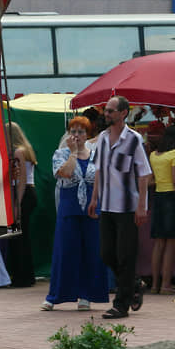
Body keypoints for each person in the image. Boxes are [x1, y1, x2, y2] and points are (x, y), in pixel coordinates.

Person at [88, 96, 151, 320]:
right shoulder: (102, 139)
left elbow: (144, 174)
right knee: (107, 254)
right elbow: (98, 171)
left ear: (123, 113)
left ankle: (121, 304)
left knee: (126, 255)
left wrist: (141, 205)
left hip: (127, 208)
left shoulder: (133, 139)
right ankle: (134, 283)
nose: (107, 114)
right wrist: (94, 198)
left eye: (111, 111)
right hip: (106, 206)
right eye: (106, 110)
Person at [41, 116, 109, 311]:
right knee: (65, 251)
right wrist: (73, 153)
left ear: (88, 135)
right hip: (69, 207)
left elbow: (101, 179)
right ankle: (55, 296)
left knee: (92, 251)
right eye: (73, 131)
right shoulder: (61, 153)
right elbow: (65, 173)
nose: (77, 135)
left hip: (92, 208)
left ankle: (86, 295)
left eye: (81, 132)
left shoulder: (96, 154)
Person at [149, 124, 175, 295]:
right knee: (171, 243)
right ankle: (166, 284)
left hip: (157, 198)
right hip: (171, 199)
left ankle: (155, 285)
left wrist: (160, 180)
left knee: (158, 243)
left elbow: (150, 180)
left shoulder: (154, 155)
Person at [5, 121, 38, 287]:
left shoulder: (17, 152)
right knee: (23, 237)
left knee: (18, 237)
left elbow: (21, 180)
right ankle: (26, 275)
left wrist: (17, 204)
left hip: (22, 194)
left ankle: (21, 277)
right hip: (29, 193)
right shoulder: (27, 150)